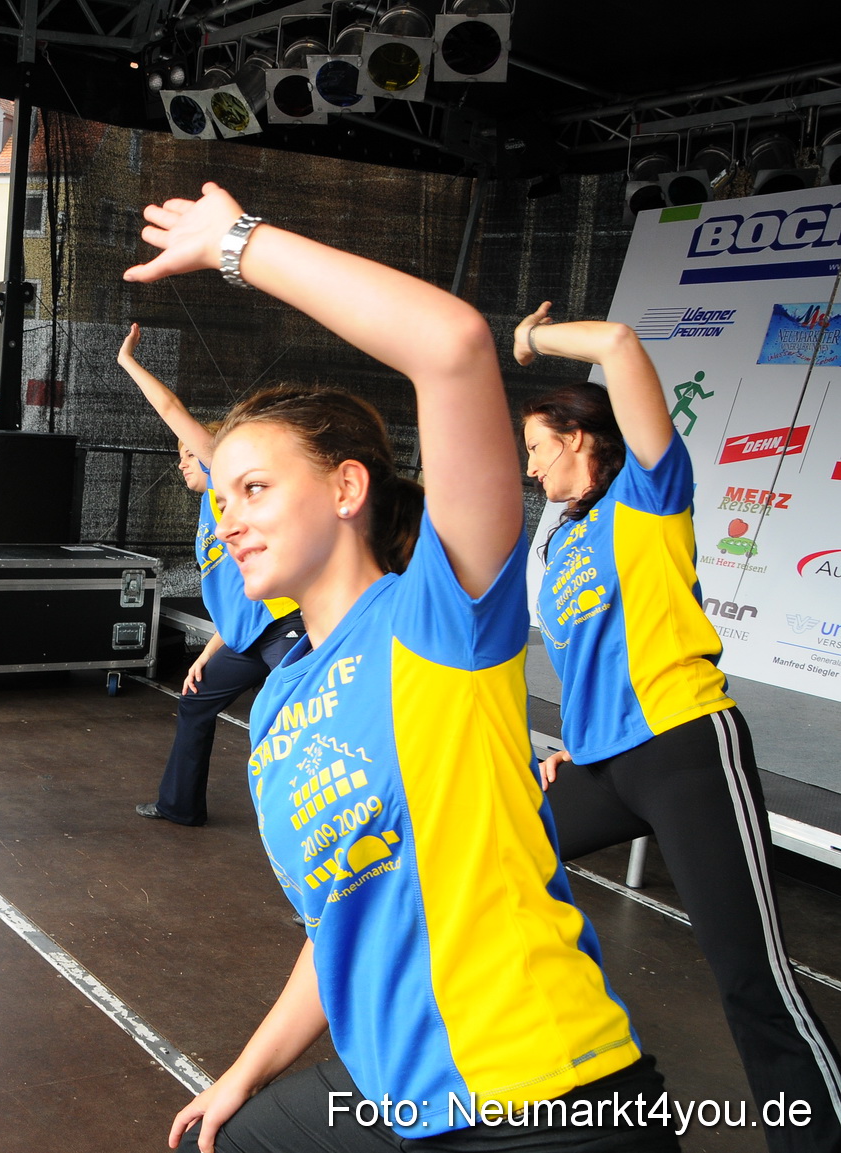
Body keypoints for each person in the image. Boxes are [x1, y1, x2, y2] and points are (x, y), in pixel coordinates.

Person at [126, 186, 675, 1153]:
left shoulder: (435, 615)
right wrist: (239, 1077)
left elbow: (453, 345)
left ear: (346, 487)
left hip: (544, 1104)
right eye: (223, 496)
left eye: (255, 487)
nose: (228, 516)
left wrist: (237, 245)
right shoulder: (282, 696)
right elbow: (339, 927)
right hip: (399, 1104)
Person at [518, 301, 841, 1153]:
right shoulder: (562, 539)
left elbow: (620, 345)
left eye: (535, 447)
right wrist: (568, 756)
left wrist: (529, 340)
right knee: (495, 857)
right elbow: (591, 664)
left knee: (749, 977)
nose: (529, 465)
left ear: (578, 437)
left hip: (683, 748)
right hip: (601, 765)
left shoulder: (647, 494)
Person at [116, 325, 302, 826]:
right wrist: (206, 653)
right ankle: (180, 807)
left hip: (286, 628)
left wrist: (129, 363)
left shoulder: (227, 485)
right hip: (246, 636)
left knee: (298, 724)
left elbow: (174, 410)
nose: (182, 463)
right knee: (195, 701)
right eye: (178, 455)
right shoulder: (210, 513)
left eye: (188, 453)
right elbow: (237, 599)